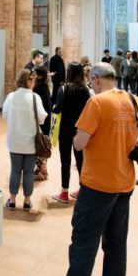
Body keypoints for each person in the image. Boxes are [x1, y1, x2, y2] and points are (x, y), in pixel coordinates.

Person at [40, 63, 138, 276]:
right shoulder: (131, 100)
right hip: (124, 185)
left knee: (83, 246)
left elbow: (80, 141)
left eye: (91, 80)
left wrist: (76, 139)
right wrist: (133, 143)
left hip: (97, 186)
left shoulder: (96, 104)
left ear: (95, 79)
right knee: (116, 244)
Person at [2, 69, 47, 211]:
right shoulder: (35, 98)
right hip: (30, 142)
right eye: (33, 81)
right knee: (28, 172)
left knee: (15, 170)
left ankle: (12, 201)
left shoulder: (11, 97)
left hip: (14, 141)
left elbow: (4, 115)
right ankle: (27, 201)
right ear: (28, 81)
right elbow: (42, 118)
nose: (34, 84)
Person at [51, 62, 91, 203]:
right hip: (80, 130)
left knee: (65, 160)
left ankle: (64, 192)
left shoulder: (63, 89)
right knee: (81, 160)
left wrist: (54, 106)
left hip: (65, 130)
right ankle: (82, 189)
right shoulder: (86, 91)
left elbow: (57, 109)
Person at [33, 66, 51, 181]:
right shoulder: (45, 86)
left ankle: (43, 171)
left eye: (35, 74)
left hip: (41, 121)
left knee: (40, 145)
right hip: (46, 120)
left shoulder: (38, 88)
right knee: (43, 144)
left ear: (39, 76)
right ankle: (41, 169)